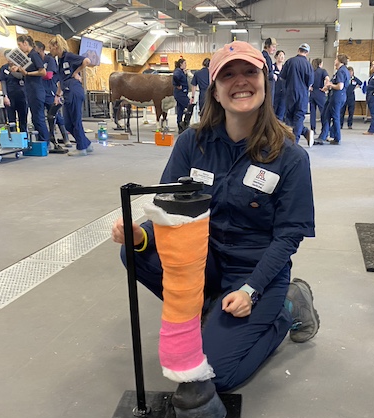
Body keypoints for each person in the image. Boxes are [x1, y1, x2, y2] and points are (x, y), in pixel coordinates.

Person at [111, 40, 319, 392]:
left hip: (253, 272)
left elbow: (288, 236)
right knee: (132, 252)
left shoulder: (289, 158)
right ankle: (210, 307)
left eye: (249, 72)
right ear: (216, 91)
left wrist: (252, 290)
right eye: (228, 75)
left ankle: (284, 311)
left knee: (213, 375)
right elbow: (167, 207)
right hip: (202, 261)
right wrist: (141, 236)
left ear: (265, 83)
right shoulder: (192, 144)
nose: (240, 81)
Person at [47, 34, 93, 156]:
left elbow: (86, 61)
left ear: (56, 46)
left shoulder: (69, 56)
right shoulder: (60, 61)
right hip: (67, 91)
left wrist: (76, 72)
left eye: (51, 47)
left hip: (74, 90)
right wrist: (57, 96)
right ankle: (86, 143)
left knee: (75, 120)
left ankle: (81, 148)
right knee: (68, 123)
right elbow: (61, 81)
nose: (50, 50)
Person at [34, 41, 72, 151]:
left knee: (56, 116)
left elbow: (49, 75)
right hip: (40, 92)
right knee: (41, 118)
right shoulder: (34, 62)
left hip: (50, 91)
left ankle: (65, 137)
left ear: (40, 49)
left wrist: (37, 74)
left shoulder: (49, 60)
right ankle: (46, 141)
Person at [14, 35, 49, 144]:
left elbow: (43, 72)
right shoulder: (28, 57)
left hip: (36, 90)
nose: (19, 48)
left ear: (25, 43)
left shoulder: (34, 55)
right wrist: (19, 70)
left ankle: (45, 142)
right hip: (30, 90)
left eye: (20, 45)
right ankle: (41, 141)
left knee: (38, 118)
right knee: (35, 118)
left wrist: (27, 73)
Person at [280, 43, 314, 147]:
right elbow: (310, 82)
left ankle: (289, 140)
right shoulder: (308, 65)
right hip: (302, 95)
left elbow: (282, 77)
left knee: (289, 117)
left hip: (290, 93)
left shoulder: (290, 62)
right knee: (299, 118)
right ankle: (295, 143)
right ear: (307, 52)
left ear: (298, 50)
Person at [315, 54, 349, 145]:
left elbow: (340, 86)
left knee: (335, 117)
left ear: (340, 61)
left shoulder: (341, 71)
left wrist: (330, 85)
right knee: (326, 115)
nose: (334, 61)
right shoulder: (343, 71)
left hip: (337, 97)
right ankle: (323, 136)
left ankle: (337, 138)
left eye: (336, 59)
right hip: (336, 96)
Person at [0, 49, 28, 133]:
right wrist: (5, 96)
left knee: (23, 118)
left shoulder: (21, 67)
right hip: (10, 96)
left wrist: (15, 70)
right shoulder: (3, 68)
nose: (9, 59)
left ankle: (24, 137)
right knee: (11, 119)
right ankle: (13, 137)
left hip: (22, 95)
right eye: (7, 57)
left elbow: (21, 76)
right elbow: (3, 82)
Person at [308, 58, 329, 135]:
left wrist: (309, 87)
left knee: (312, 112)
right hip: (320, 92)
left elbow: (306, 81)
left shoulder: (311, 71)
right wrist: (326, 87)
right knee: (323, 111)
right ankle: (325, 129)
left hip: (312, 93)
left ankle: (312, 129)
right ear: (320, 63)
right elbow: (327, 79)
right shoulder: (323, 71)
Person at [173, 58, 190, 134]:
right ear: (181, 64)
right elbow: (175, 77)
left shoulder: (181, 72)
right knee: (190, 106)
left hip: (182, 93)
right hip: (180, 93)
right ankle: (185, 124)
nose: (186, 65)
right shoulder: (178, 71)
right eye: (185, 63)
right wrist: (178, 85)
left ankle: (180, 127)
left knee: (180, 110)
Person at [262, 38, 277, 104]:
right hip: (267, 87)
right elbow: (266, 73)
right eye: (273, 47)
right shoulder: (266, 57)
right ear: (267, 46)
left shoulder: (263, 55)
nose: (274, 49)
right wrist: (273, 75)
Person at [272, 50, 286, 121]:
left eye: (283, 56)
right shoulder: (272, 68)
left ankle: (279, 131)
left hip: (283, 94)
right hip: (274, 93)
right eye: (280, 55)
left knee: (281, 114)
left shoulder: (285, 68)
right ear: (276, 57)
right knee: (273, 113)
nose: (282, 57)